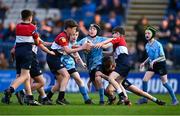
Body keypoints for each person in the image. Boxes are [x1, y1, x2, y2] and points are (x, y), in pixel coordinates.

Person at [1, 9, 55, 105]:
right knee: (25, 75)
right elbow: (38, 42)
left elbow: (19, 41)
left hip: (18, 51)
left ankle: (29, 97)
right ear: (30, 18)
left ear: (21, 17)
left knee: (22, 76)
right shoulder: (32, 27)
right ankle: (11, 89)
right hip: (27, 52)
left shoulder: (18, 26)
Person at [46, 19, 91, 105]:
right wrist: (82, 47)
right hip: (55, 59)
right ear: (69, 29)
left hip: (58, 60)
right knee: (64, 78)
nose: (75, 33)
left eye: (76, 33)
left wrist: (79, 60)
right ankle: (59, 98)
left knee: (61, 83)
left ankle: (47, 98)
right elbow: (68, 50)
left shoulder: (66, 37)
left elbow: (70, 50)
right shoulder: (63, 37)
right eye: (74, 30)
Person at [97, 56, 166, 106]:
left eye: (114, 65)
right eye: (112, 66)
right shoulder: (101, 67)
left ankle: (156, 100)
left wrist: (103, 75)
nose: (114, 67)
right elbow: (99, 75)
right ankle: (113, 99)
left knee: (139, 92)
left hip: (120, 81)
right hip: (116, 83)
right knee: (107, 91)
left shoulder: (117, 67)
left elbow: (118, 82)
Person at [137, 26, 179, 105]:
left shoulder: (158, 44)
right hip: (153, 64)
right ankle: (145, 99)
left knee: (164, 83)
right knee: (144, 80)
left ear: (153, 34)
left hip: (160, 64)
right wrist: (144, 62)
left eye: (149, 33)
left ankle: (175, 100)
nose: (147, 34)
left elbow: (163, 56)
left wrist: (154, 61)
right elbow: (150, 56)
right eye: (146, 33)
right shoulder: (147, 45)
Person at [94, 26, 131, 105]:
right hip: (126, 63)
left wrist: (94, 45)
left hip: (123, 63)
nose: (112, 35)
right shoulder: (118, 43)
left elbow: (105, 46)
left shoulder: (118, 39)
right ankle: (126, 100)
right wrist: (101, 53)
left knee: (111, 78)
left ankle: (121, 96)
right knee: (118, 82)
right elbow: (111, 54)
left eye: (113, 33)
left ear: (118, 34)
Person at [77, 24, 108, 105]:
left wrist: (103, 45)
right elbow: (74, 46)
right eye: (90, 29)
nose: (91, 30)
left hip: (99, 63)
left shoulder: (101, 39)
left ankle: (102, 101)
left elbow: (112, 41)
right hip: (90, 66)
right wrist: (82, 47)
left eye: (94, 29)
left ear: (97, 31)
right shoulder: (84, 40)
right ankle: (111, 97)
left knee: (98, 78)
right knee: (97, 87)